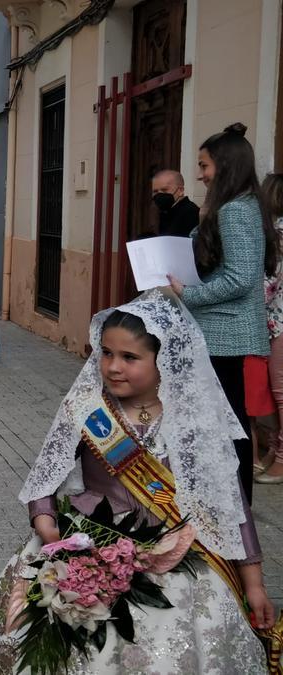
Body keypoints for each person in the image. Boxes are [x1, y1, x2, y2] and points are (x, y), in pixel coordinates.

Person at [0, 290, 279, 673]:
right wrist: (47, 527)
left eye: (130, 357)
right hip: (86, 545)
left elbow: (230, 502)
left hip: (175, 557)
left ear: (165, 361)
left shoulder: (192, 420)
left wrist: (253, 584)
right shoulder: (86, 410)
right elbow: (44, 478)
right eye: (106, 353)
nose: (112, 367)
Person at [168, 123, 279, 503]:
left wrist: (188, 293)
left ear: (226, 165)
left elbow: (240, 278)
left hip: (228, 338)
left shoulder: (235, 210)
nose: (200, 174)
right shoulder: (241, 206)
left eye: (204, 165)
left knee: (230, 427)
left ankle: (233, 509)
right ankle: (230, 506)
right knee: (229, 426)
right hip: (225, 337)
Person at [257, 173, 283, 484]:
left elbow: (269, 284)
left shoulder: (277, 233)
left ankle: (281, 459)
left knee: (280, 393)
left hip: (279, 320)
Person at [151, 169, 201, 237]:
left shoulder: (191, 213)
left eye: (164, 190)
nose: (159, 194)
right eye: (155, 191)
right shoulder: (166, 212)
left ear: (180, 190)